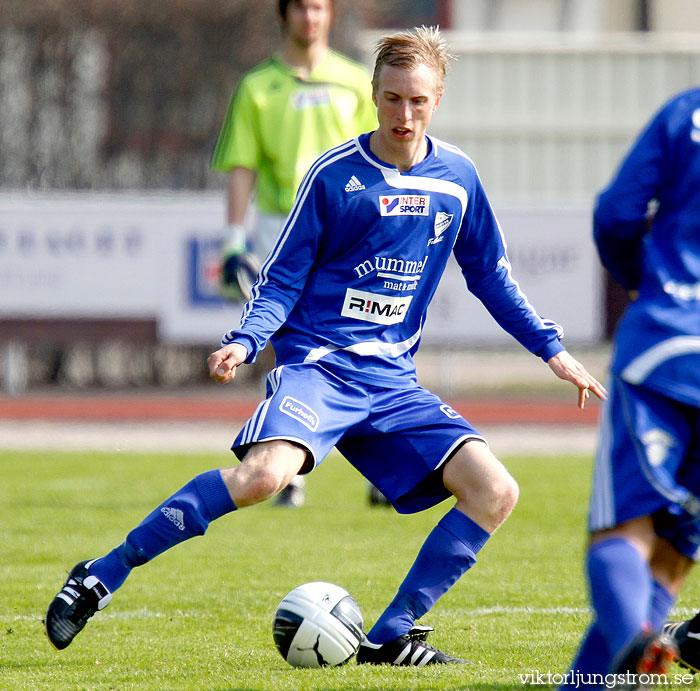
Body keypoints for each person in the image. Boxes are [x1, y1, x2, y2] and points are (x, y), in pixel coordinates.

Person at [45, 26, 605, 664]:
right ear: (373, 94)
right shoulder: (334, 176)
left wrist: (552, 351)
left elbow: (491, 277)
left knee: (495, 491)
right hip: (319, 366)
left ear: (439, 100)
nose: (404, 114)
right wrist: (247, 339)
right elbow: (282, 276)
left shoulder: (458, 179)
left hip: (393, 382)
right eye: (392, 99)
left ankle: (392, 636)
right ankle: (101, 574)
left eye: (418, 101)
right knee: (261, 479)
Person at [210, 0, 377, 507]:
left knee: (366, 334)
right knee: (283, 338)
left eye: (320, 7)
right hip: (281, 222)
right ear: (285, 15)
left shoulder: (353, 81)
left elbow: (380, 154)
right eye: (302, 6)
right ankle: (286, 467)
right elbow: (241, 165)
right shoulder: (257, 86)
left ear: (330, 15)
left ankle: (383, 468)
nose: (311, 16)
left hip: (350, 224)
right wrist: (233, 237)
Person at [561, 85, 700, 686]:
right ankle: (619, 661)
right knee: (672, 552)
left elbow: (617, 212)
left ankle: (637, 644)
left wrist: (641, 279)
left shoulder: (685, 113)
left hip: (666, 342)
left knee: (623, 530)